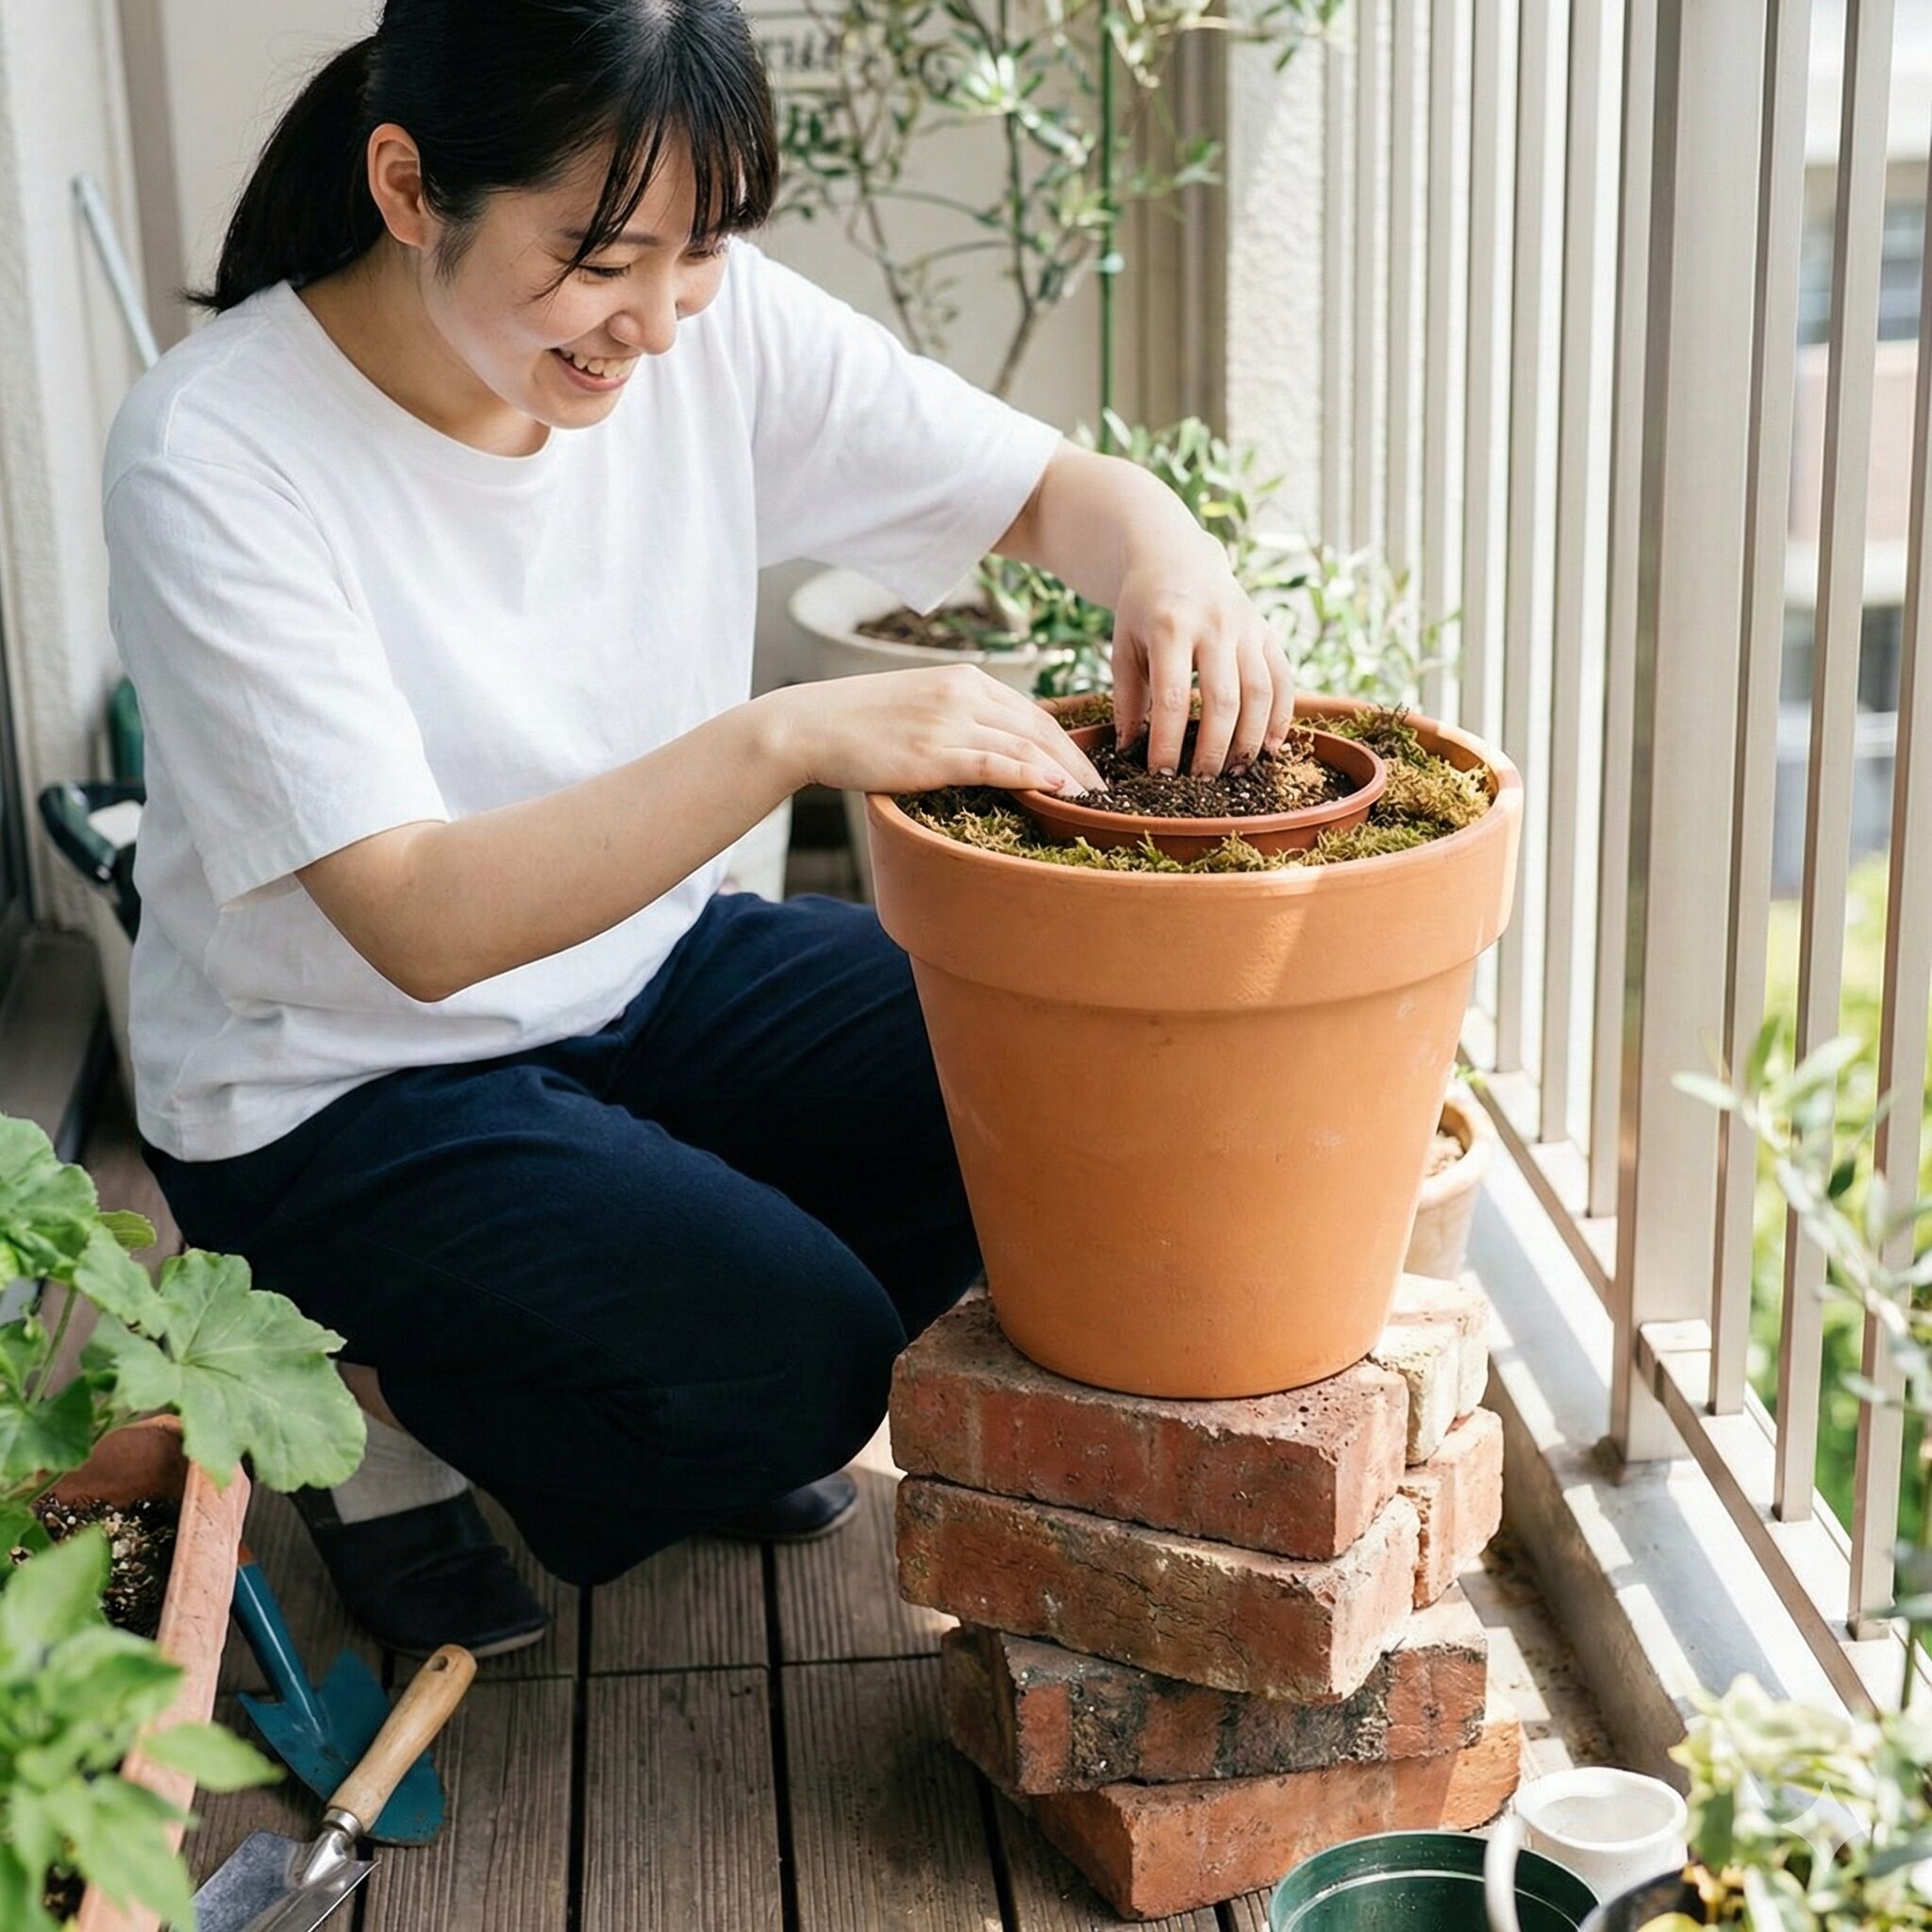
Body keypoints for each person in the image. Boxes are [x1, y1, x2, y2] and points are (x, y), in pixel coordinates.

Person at [105, 0, 1296, 1657]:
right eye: (598, 260)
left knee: (1051, 1049)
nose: (654, 324)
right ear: (404, 183)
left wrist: (1173, 560)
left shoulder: (693, 325)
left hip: (639, 970)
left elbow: (1044, 491)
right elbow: (420, 921)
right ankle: (373, 1420)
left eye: (701, 254)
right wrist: (788, 738)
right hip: (337, 1083)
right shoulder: (218, 451)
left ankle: (665, 1361)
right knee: (801, 1367)